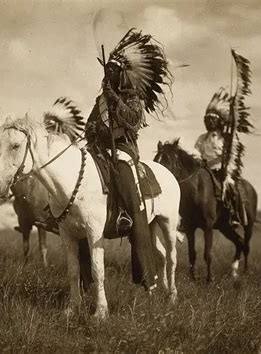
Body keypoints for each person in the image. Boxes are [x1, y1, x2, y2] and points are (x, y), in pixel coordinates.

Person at [86, 29, 172, 291]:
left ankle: (130, 223)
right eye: (106, 70)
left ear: (121, 74)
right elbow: (90, 124)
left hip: (124, 151)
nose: (108, 75)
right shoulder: (101, 99)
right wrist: (91, 135)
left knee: (130, 191)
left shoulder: (131, 97)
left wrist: (116, 102)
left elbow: (133, 122)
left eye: (113, 71)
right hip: (99, 150)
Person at [195, 87, 241, 225]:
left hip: (221, 170)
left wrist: (227, 169)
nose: (208, 122)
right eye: (206, 119)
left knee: (230, 187)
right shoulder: (202, 138)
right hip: (203, 170)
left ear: (218, 121)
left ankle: (234, 215)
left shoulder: (227, 138)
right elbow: (196, 152)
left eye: (211, 119)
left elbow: (232, 156)